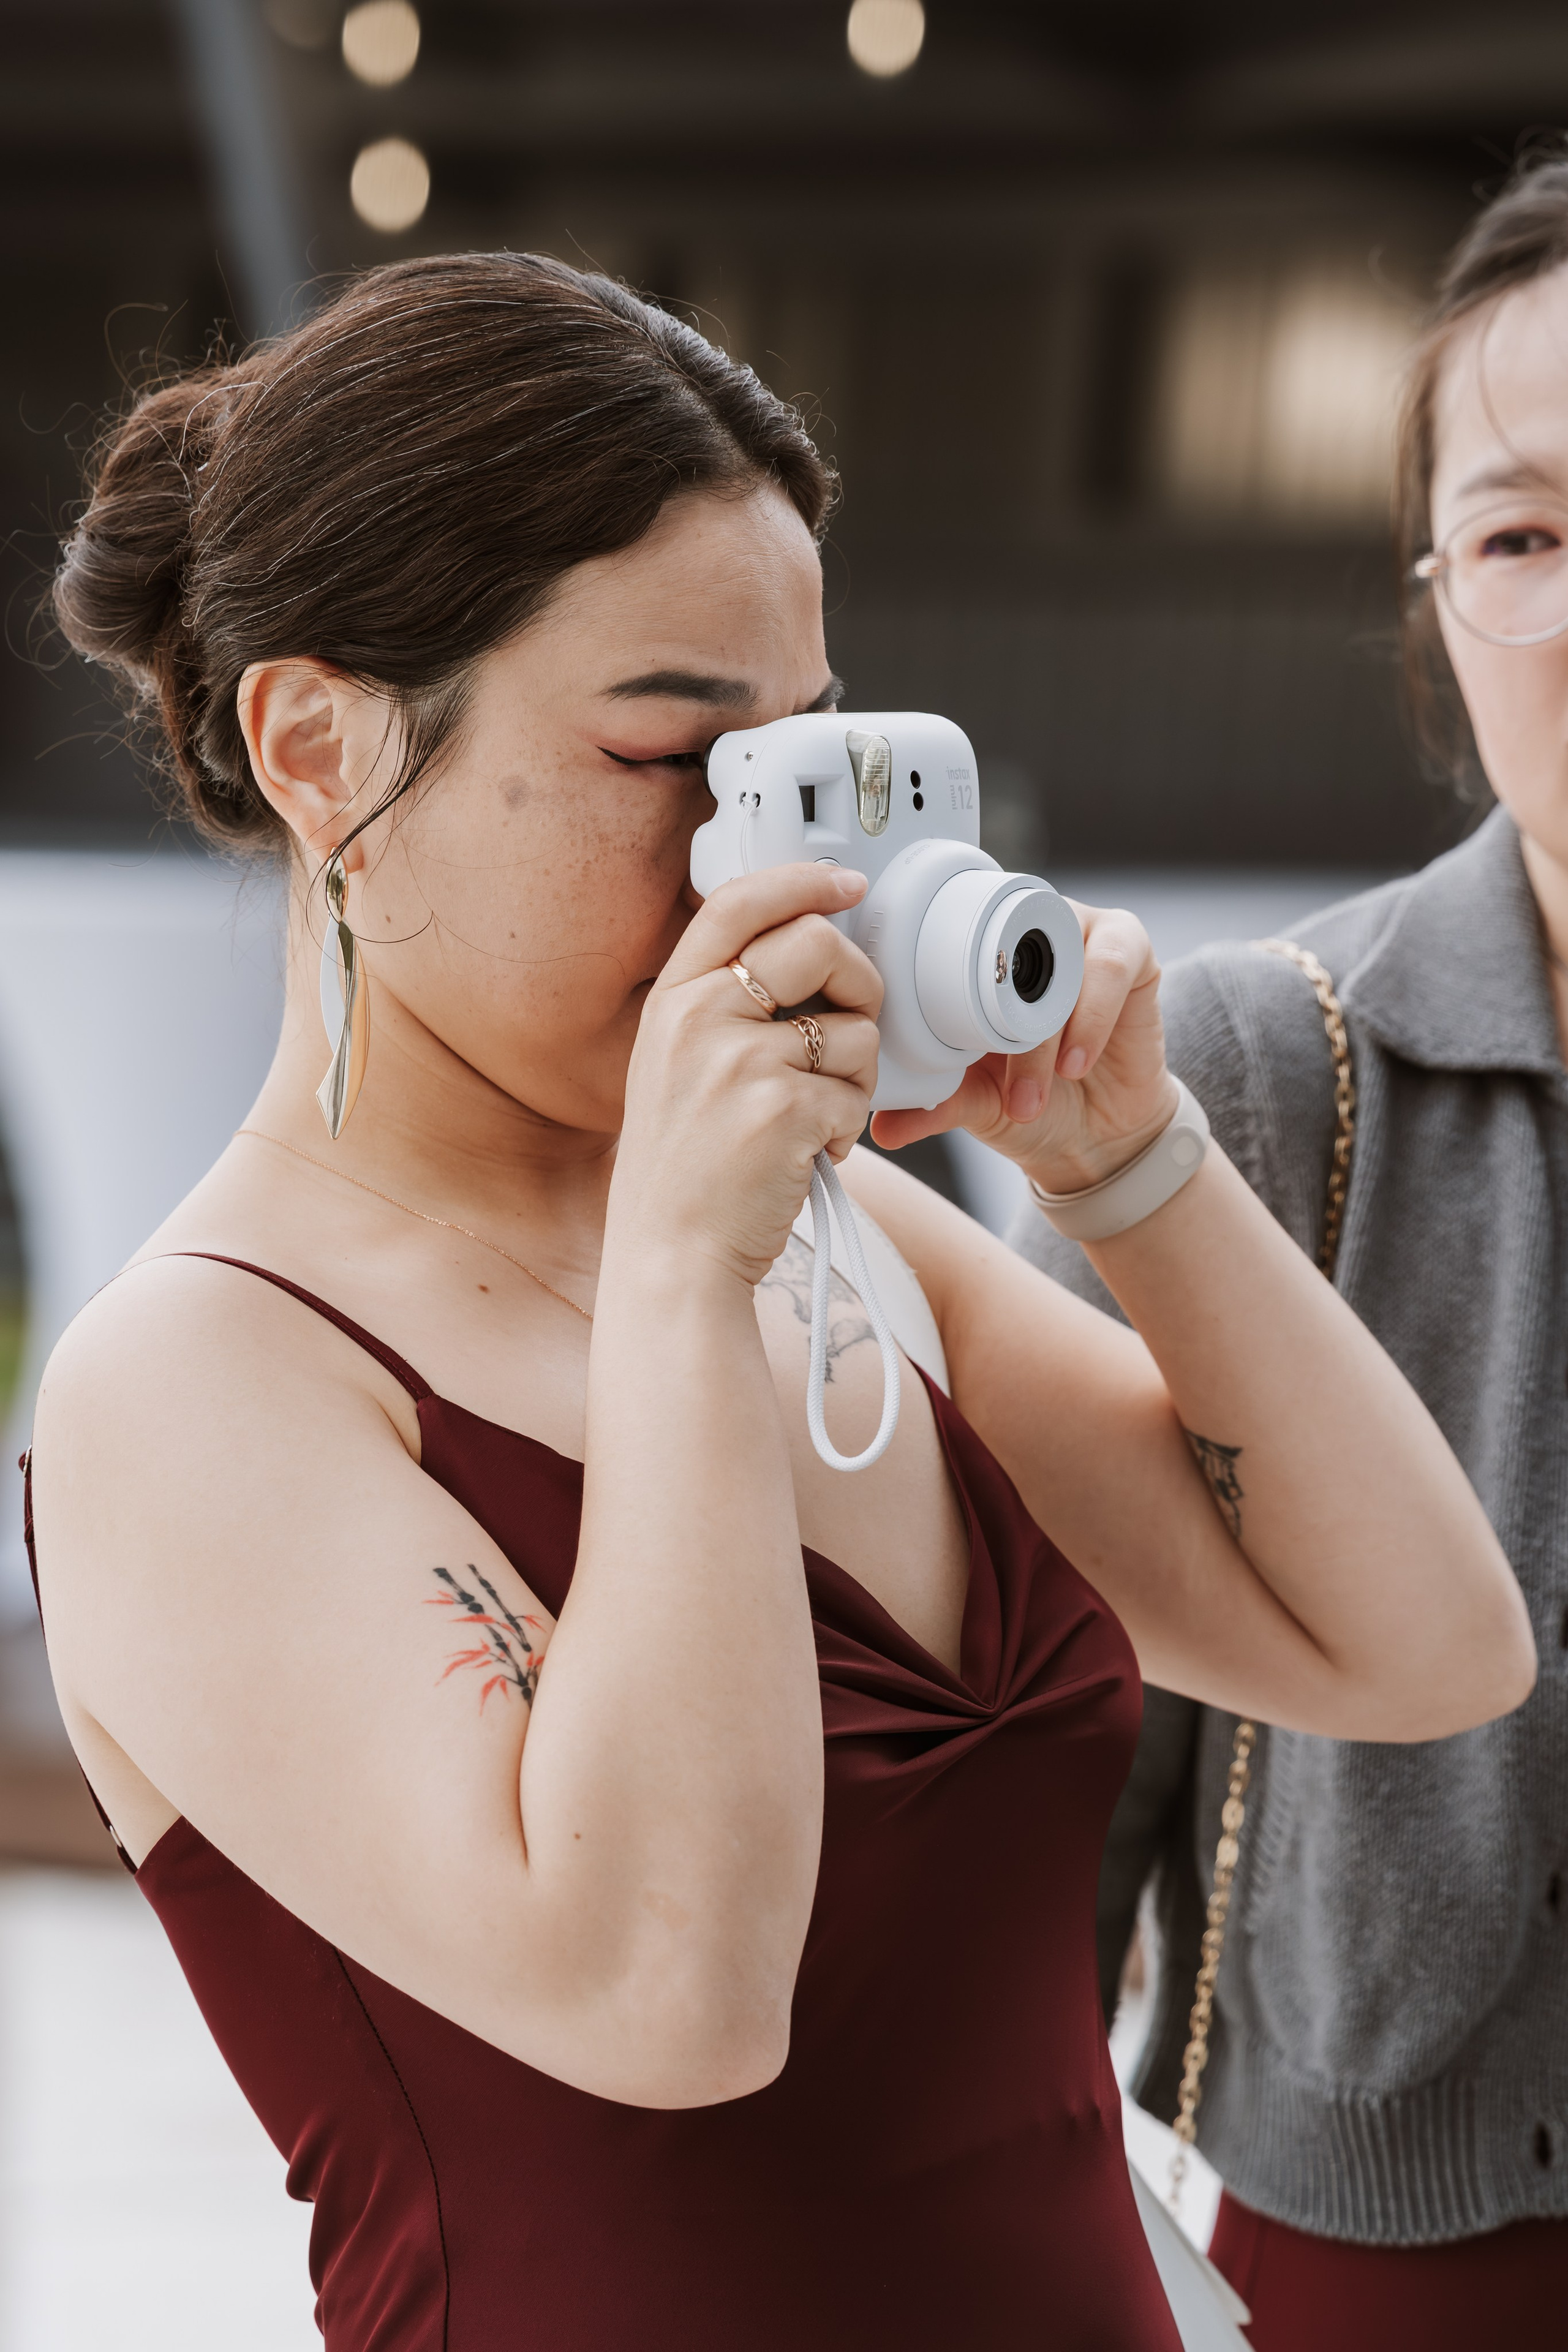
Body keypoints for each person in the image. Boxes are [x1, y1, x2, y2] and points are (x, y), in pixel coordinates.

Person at [31, 254, 1531, 2352]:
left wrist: (1125, 1163)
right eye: (677, 758)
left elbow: (1425, 1648)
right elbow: (672, 1992)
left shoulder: (850, 1238)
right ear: (317, 747)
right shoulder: (195, 1382)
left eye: (810, 765)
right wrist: (678, 1274)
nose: (767, 874)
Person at [1011, 146, 1568, 2348]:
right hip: (1389, 2265)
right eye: (1522, 536)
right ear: (1437, 598)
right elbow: (1046, 1754)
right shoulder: (1242, 1075)